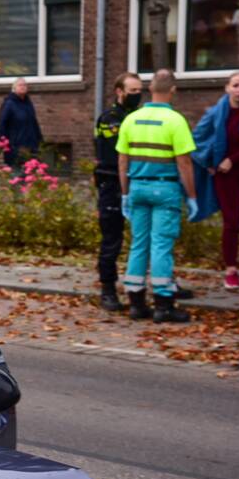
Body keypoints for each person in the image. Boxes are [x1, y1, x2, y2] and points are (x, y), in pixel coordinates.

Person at [117, 69, 197, 323]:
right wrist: (192, 196)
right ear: (172, 90)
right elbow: (184, 162)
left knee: (138, 244)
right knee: (161, 245)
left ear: (150, 89)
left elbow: (122, 160)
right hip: (165, 189)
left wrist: (125, 193)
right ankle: (163, 305)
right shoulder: (176, 121)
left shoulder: (132, 119)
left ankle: (136, 303)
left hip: (138, 188)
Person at [191, 71, 239, 290]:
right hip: (226, 176)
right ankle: (231, 270)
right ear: (227, 88)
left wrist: (231, 159)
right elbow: (198, 139)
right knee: (231, 222)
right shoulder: (216, 113)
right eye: (236, 85)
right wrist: (209, 163)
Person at [93, 72, 143, 311]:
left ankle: (161, 284)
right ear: (119, 92)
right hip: (112, 183)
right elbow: (119, 152)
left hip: (137, 182)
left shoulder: (138, 116)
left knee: (148, 237)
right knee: (112, 238)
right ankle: (108, 289)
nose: (137, 95)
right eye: (132, 91)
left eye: (139, 90)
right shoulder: (110, 118)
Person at [0, 77, 43, 167]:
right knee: (17, 174)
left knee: (31, 173)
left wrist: (40, 140)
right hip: (16, 146)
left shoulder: (28, 103)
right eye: (20, 85)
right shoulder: (9, 104)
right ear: (14, 88)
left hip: (31, 144)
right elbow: (2, 125)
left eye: (25, 85)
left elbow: (34, 122)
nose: (23, 87)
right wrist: (4, 143)